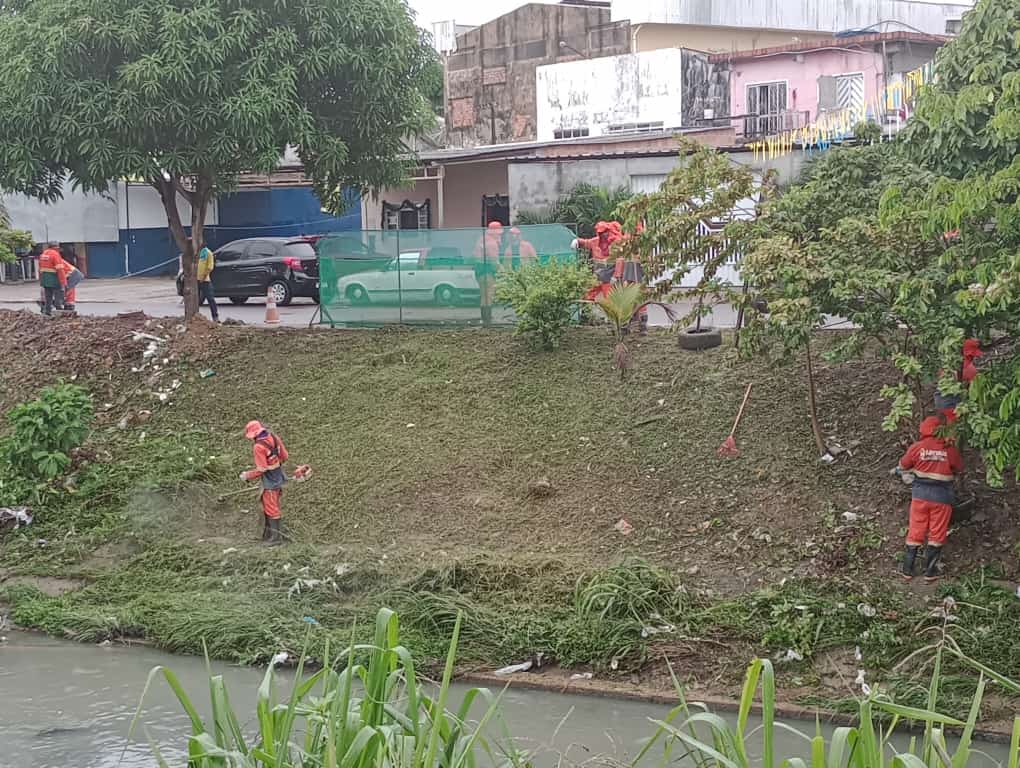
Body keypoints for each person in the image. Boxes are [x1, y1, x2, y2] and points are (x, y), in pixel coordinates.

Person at [895, 416, 964, 582]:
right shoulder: (949, 449)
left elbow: (902, 466)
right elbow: (959, 468)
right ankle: (930, 572)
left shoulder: (917, 448)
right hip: (942, 498)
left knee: (915, 530)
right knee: (937, 532)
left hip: (920, 497)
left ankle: (907, 569)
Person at [240, 420, 289, 545]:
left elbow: (261, 469)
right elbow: (284, 456)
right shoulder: (273, 436)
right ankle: (270, 533)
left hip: (270, 481)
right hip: (279, 476)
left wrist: (247, 475)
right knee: (273, 505)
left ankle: (276, 538)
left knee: (271, 507)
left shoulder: (258, 447)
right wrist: (275, 463)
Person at [934, 339, 982, 424]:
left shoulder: (948, 364)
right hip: (951, 403)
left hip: (939, 400)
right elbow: (974, 392)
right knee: (953, 426)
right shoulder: (971, 370)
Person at [473, 221, 504, 325]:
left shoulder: (481, 240)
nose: (500, 235)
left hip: (479, 271)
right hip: (487, 271)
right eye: (499, 233)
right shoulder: (491, 243)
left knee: (483, 295)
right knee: (489, 295)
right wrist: (503, 272)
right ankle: (488, 319)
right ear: (494, 233)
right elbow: (494, 261)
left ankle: (485, 318)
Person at [37, 242, 67, 316]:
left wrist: (41, 281)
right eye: (58, 248)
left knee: (48, 297)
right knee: (58, 296)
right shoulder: (55, 255)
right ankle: (59, 311)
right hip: (54, 279)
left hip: (45, 279)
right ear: (55, 247)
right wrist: (64, 282)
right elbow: (60, 269)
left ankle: (47, 312)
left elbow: (40, 268)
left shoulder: (43, 254)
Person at [195, 242, 219, 322]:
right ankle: (195, 316)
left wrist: (203, 277)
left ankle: (215, 316)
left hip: (205, 280)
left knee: (210, 298)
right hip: (195, 280)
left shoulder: (208, 253)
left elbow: (210, 267)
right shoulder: (196, 253)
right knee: (195, 299)